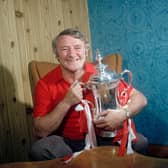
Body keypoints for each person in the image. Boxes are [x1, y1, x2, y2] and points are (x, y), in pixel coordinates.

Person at [30, 28, 148, 161]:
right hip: (69, 142)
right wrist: (66, 102)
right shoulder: (45, 84)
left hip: (105, 136)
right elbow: (40, 130)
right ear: (56, 54)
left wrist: (123, 114)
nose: (72, 54)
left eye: (77, 48)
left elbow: (141, 99)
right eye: (64, 49)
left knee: (140, 142)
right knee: (39, 149)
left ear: (86, 52)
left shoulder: (100, 74)